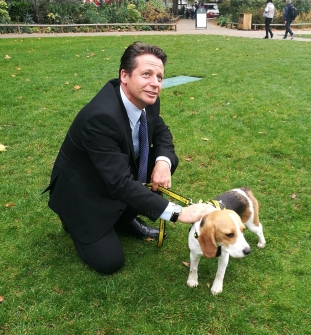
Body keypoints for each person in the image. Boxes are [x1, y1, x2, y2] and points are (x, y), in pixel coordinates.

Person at [44, 41, 213, 275]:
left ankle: (123, 218)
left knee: (159, 160)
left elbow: (160, 130)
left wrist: (163, 163)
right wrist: (179, 213)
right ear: (124, 75)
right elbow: (119, 183)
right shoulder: (101, 118)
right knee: (110, 262)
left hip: (113, 173)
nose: (155, 83)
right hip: (83, 192)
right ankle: (73, 222)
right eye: (146, 74)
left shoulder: (147, 98)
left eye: (159, 77)